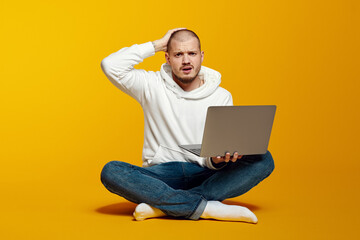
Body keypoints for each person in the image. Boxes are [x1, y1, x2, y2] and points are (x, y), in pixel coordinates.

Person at [100, 28, 275, 223]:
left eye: (192, 53)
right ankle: (206, 207)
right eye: (178, 54)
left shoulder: (221, 96)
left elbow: (216, 155)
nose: (186, 61)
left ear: (201, 56)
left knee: (264, 159)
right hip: (161, 175)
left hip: (205, 173)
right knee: (111, 171)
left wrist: (218, 160)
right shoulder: (150, 84)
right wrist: (157, 44)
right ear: (167, 57)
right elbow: (110, 65)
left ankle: (165, 206)